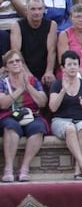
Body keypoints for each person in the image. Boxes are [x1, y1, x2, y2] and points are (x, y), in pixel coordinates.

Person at [49, 50, 82, 180]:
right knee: (70, 128)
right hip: (60, 121)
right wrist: (63, 91)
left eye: (75, 64)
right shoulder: (56, 84)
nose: (72, 67)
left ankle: (78, 170)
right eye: (69, 64)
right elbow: (52, 108)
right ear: (63, 68)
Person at [0, 50, 49, 182]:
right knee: (10, 127)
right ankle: (8, 168)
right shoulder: (3, 82)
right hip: (9, 114)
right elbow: (3, 104)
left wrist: (28, 86)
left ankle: (24, 168)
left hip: (31, 115)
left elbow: (43, 102)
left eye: (18, 61)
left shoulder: (33, 81)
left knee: (38, 127)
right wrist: (20, 89)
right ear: (6, 67)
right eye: (11, 62)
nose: (15, 63)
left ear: (22, 63)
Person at [10, 0, 57, 87]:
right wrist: (27, 73)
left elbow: (52, 51)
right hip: (23, 67)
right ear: (26, 10)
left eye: (40, 9)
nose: (37, 12)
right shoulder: (17, 25)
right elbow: (16, 52)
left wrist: (49, 71)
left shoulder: (51, 25)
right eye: (33, 9)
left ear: (44, 10)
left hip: (44, 67)